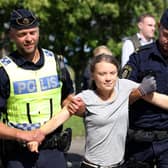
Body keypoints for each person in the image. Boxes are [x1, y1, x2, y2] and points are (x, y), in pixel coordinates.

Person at [27, 54, 158, 168]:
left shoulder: (124, 87)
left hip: (120, 164)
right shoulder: (85, 97)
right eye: (102, 74)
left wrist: (143, 88)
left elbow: (159, 99)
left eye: (112, 73)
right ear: (93, 75)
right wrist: (36, 136)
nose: (108, 78)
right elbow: (58, 119)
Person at [0, 8, 74, 168]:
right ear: (12, 35)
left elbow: (68, 98)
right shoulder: (3, 70)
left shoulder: (56, 62)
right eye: (22, 34)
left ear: (39, 31)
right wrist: (22, 135)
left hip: (54, 152)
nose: (28, 39)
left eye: (32, 32)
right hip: (18, 157)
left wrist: (76, 106)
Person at [121, 8, 168, 168]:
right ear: (160, 27)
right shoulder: (139, 57)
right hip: (139, 143)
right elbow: (119, 98)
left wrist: (147, 95)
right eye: (166, 35)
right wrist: (139, 91)